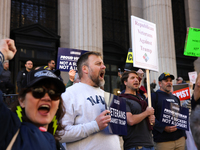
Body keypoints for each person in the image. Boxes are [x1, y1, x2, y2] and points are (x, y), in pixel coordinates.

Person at [0, 39, 66, 150]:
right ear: (22, 100)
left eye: (54, 94)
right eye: (38, 91)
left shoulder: (57, 146)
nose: (47, 98)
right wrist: (2, 53)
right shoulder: (7, 130)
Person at [60, 51, 121, 150]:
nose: (104, 67)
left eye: (103, 64)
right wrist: (95, 125)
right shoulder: (69, 94)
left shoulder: (108, 96)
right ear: (85, 69)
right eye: (98, 64)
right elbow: (60, 133)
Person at [119, 71, 155, 150]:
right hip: (136, 146)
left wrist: (151, 119)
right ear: (125, 82)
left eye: (137, 78)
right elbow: (130, 120)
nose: (136, 80)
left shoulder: (140, 99)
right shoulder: (122, 99)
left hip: (149, 143)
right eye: (132, 78)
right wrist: (146, 113)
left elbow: (147, 122)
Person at [150, 72, 186, 150]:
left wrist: (183, 135)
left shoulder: (175, 98)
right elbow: (150, 117)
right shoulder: (153, 96)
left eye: (170, 80)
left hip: (180, 140)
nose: (169, 82)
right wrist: (163, 128)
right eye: (166, 81)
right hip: (163, 141)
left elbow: (180, 116)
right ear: (160, 83)